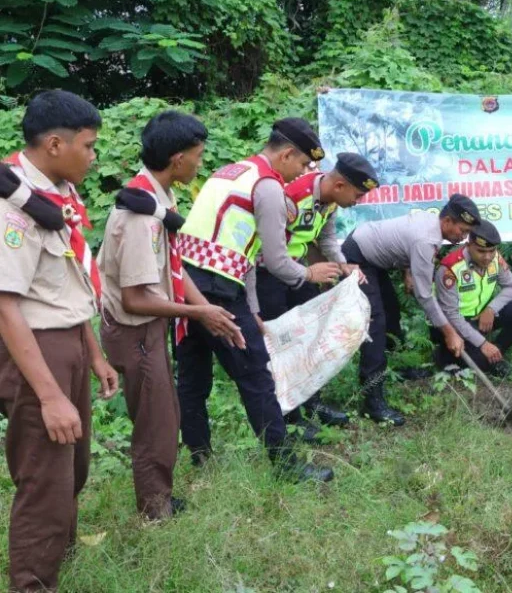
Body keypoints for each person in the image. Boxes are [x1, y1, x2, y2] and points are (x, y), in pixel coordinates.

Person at [97, 111, 246, 520]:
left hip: (151, 326)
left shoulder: (157, 197)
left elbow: (173, 268)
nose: (201, 162)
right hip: (135, 330)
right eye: (198, 155)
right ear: (178, 159)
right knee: (156, 422)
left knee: (164, 413)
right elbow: (135, 300)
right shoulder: (139, 217)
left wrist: (203, 308)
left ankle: (159, 497)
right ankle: (155, 510)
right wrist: (196, 312)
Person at [0, 90, 119, 591]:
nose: (94, 156)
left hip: (66, 341)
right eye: (88, 146)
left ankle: (57, 558)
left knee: (73, 466)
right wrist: (49, 397)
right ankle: (32, 582)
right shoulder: (13, 209)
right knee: (45, 479)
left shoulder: (54, 195)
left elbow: (65, 284)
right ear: (54, 144)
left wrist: (94, 354)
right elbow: (6, 308)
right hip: (36, 352)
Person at [175, 117, 333, 482]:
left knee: (192, 378)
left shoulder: (230, 172)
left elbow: (243, 248)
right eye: (302, 164)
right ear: (287, 154)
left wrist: (253, 308)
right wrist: (309, 273)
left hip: (184, 283)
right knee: (257, 375)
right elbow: (276, 261)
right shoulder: (268, 187)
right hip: (217, 290)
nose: (303, 173)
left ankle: (201, 457)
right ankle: (286, 466)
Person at [255, 152, 378, 441]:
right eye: (357, 195)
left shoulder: (330, 202)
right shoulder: (293, 196)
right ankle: (289, 416)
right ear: (339, 185)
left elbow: (326, 239)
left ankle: (313, 402)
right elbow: (271, 249)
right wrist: (307, 272)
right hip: (268, 275)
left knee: (310, 337)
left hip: (299, 272)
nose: (357, 202)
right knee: (282, 344)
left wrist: (343, 265)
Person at [341, 194, 482, 425]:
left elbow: (404, 244)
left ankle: (398, 367)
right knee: (375, 322)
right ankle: (372, 399)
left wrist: (408, 271)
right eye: (462, 230)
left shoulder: (431, 225)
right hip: (358, 257)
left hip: (373, 257)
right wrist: (450, 333)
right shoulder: (426, 239)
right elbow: (424, 295)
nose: (463, 237)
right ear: (447, 221)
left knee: (391, 312)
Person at [432, 220, 512, 377]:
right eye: (481, 251)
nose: (487, 257)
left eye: (492, 250)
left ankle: (495, 353)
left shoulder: (495, 259)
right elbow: (450, 315)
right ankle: (444, 355)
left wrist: (491, 309)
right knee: (482, 364)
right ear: (468, 245)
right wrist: (482, 343)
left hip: (480, 317)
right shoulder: (450, 269)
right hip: (453, 325)